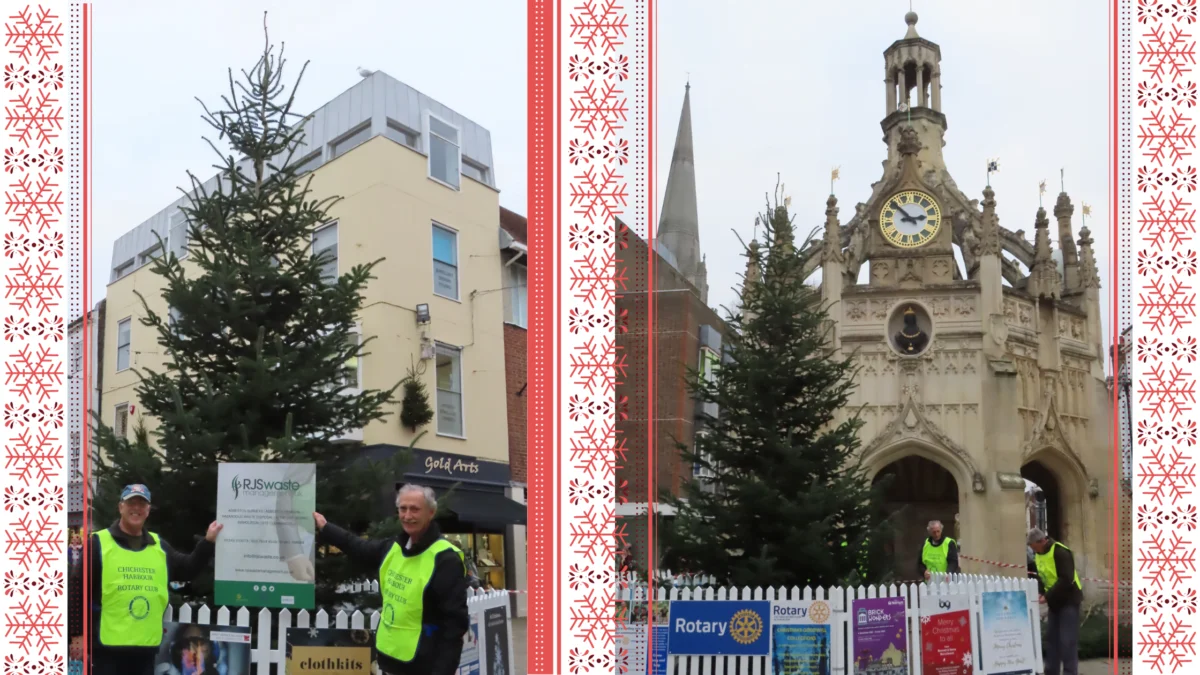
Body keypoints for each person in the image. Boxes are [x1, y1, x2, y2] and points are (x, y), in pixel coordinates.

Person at [314, 484, 469, 675]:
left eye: (414, 509)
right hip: (389, 660)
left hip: (423, 666)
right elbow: (357, 546)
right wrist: (325, 527)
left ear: (431, 512)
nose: (407, 515)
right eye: (403, 509)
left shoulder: (445, 559)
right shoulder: (393, 548)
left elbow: (454, 626)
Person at [85, 484, 223, 675]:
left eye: (142, 504)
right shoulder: (97, 543)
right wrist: (76, 636)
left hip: (145, 650)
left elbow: (187, 569)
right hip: (107, 650)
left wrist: (207, 542)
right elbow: (77, 591)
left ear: (148, 510)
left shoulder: (159, 546)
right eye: (131, 503)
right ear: (120, 507)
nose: (136, 508)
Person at [1028, 527, 1083, 675]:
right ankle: (1051, 671)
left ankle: (1070, 672)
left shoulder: (1060, 552)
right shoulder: (1039, 554)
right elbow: (1041, 576)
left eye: (1033, 547)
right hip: (1055, 602)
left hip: (1069, 601)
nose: (1033, 550)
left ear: (1041, 541)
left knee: (1067, 641)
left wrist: (1047, 596)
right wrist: (1041, 591)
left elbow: (1067, 579)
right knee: (1052, 640)